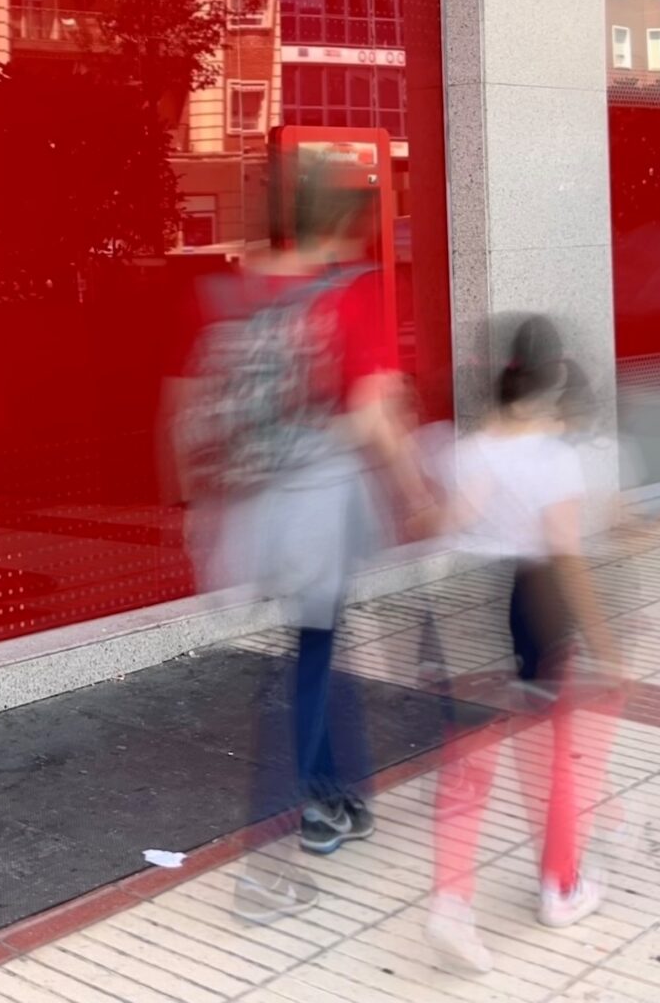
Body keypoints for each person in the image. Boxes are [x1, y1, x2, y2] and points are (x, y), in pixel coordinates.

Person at [177, 160, 434, 923]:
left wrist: (198, 503)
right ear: (341, 219)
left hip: (253, 505)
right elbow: (376, 411)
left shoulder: (234, 290)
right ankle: (303, 817)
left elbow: (188, 404)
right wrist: (419, 495)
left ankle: (335, 791)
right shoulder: (347, 293)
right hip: (318, 503)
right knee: (313, 657)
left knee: (317, 648)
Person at [425, 316, 622, 973]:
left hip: (461, 599)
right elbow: (565, 555)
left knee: (467, 761)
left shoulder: (467, 449)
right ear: (556, 376)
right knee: (550, 760)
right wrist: (605, 644)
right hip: (531, 606)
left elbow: (449, 521)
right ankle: (560, 886)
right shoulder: (555, 459)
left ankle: (451, 904)